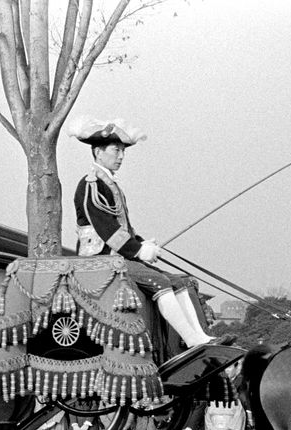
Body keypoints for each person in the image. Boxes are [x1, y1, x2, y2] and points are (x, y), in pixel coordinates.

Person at [67, 116, 213, 349]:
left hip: (119, 256)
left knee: (178, 281)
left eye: (123, 151)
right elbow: (108, 231)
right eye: (116, 150)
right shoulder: (91, 184)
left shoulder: (111, 184)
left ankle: (198, 336)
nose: (121, 156)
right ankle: (191, 339)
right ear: (98, 152)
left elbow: (124, 229)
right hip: (100, 259)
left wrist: (145, 245)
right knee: (159, 281)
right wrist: (138, 251)